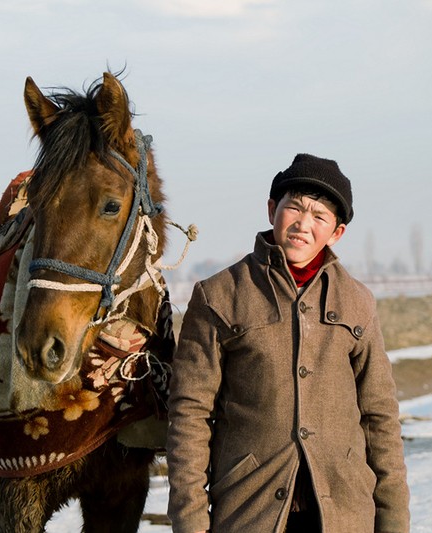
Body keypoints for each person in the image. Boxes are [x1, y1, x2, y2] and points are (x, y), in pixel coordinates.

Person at [166, 154, 410, 533]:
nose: (302, 224)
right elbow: (189, 415)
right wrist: (191, 521)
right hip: (248, 511)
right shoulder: (218, 296)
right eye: (293, 207)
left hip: (344, 514)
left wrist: (393, 521)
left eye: (319, 217)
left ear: (337, 233)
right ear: (271, 210)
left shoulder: (357, 301)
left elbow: (380, 417)